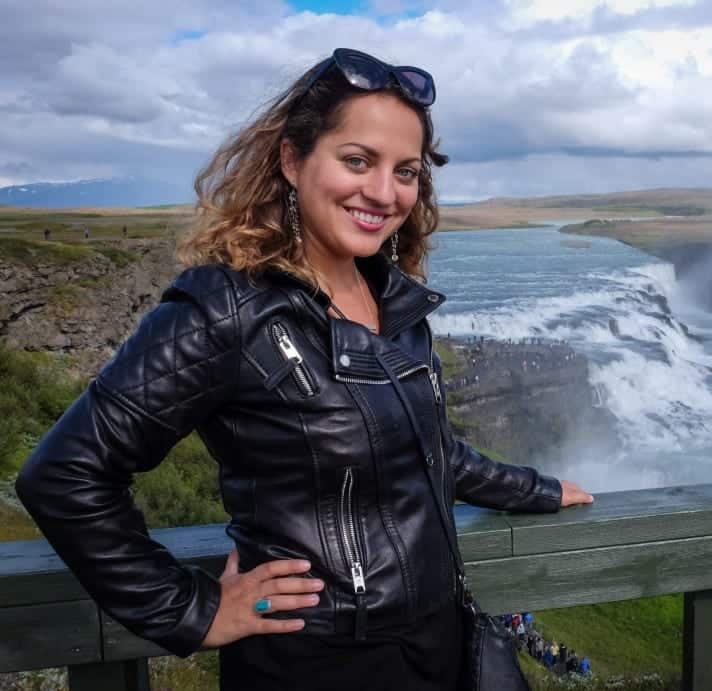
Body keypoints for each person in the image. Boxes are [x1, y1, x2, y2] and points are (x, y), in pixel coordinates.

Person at [14, 47, 593, 691]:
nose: (384, 192)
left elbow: (429, 450)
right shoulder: (225, 307)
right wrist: (192, 609)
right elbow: (65, 475)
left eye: (406, 171)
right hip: (318, 666)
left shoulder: (395, 301)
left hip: (435, 647)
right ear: (292, 160)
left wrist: (533, 489)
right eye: (357, 161)